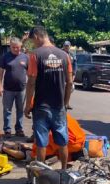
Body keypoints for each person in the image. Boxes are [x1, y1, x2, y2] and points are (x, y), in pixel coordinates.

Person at [25, 26, 73, 169]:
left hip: (41, 106)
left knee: (41, 142)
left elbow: (31, 82)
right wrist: (65, 103)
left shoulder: (35, 55)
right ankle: (64, 171)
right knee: (62, 142)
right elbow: (69, 82)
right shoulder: (65, 55)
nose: (33, 44)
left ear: (38, 36)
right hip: (59, 107)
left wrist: (28, 104)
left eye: (33, 40)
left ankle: (41, 173)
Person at [0, 37, 29, 138]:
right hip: (8, 90)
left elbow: (29, 73)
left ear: (21, 46)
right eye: (14, 47)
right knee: (7, 110)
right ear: (10, 47)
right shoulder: (5, 57)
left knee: (20, 110)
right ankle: (7, 130)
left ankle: (19, 129)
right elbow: (0, 74)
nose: (16, 49)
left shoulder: (25, 57)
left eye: (18, 47)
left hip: (21, 89)